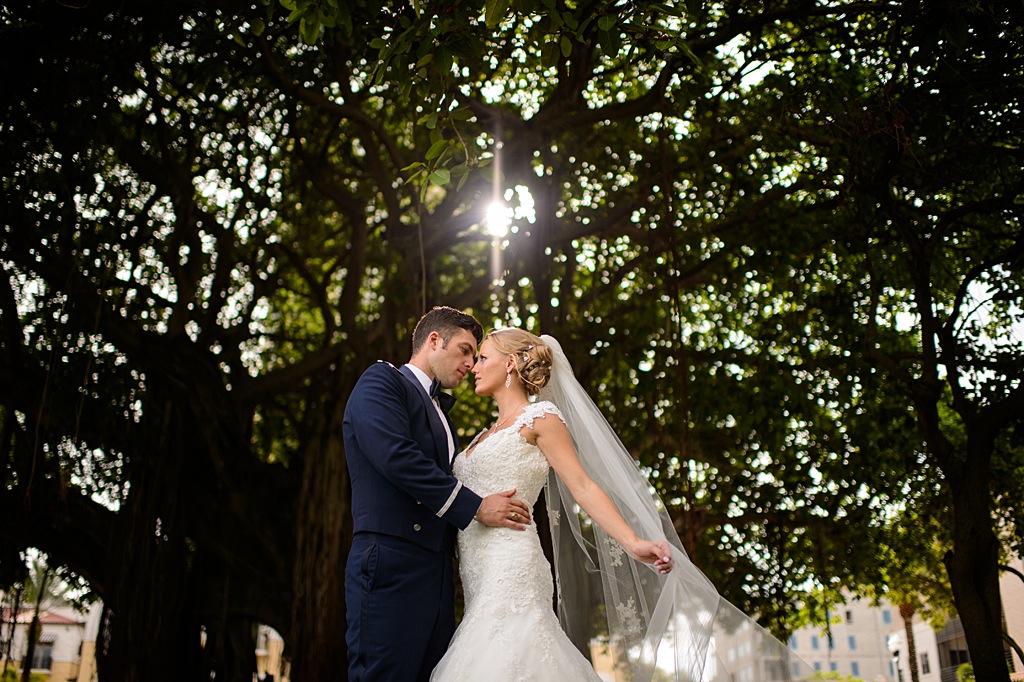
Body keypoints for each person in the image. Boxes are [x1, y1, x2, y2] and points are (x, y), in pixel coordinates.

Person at [431, 329, 815, 682]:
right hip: (476, 571)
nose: (472, 366)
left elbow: (582, 485)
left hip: (511, 564)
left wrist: (634, 543)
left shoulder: (540, 419)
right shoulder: (483, 435)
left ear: (510, 363)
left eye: (482, 358)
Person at [343, 307, 534, 682]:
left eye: (475, 355)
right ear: (434, 341)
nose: (470, 363)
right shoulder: (382, 380)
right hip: (391, 559)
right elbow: (397, 456)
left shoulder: (445, 417)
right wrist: (475, 507)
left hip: (437, 571)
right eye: (464, 351)